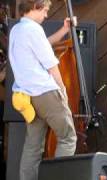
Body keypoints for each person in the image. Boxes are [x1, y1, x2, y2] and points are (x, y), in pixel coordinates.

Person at [8, 0, 77, 180]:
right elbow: (51, 64)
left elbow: (43, 45)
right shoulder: (34, 29)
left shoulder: (17, 30)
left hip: (27, 97)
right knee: (67, 138)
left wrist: (63, 30)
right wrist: (63, 91)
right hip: (46, 93)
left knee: (33, 146)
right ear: (36, 7)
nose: (46, 15)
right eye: (45, 10)